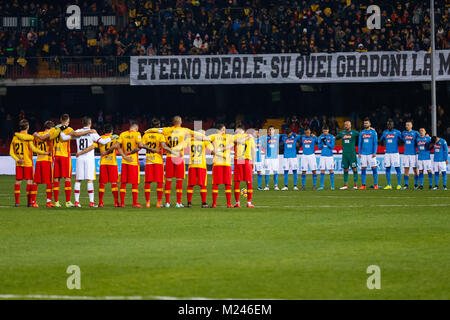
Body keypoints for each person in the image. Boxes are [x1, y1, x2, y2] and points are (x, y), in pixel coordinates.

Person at [23, 114, 94, 207]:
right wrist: (89, 131)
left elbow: (44, 137)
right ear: (68, 121)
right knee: (67, 178)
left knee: (56, 179)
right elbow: (76, 134)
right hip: (65, 156)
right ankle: (68, 202)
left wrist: (36, 133)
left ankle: (56, 202)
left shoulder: (53, 130)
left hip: (56, 156)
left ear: (60, 120)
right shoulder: (69, 129)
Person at [144, 116, 207, 208]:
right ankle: (178, 202)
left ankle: (167, 203)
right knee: (179, 180)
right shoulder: (185, 130)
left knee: (168, 180)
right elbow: (197, 134)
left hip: (169, 157)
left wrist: (147, 131)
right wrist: (206, 137)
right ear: (180, 122)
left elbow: (153, 130)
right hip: (179, 157)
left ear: (173, 122)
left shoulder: (166, 130)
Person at [73, 117, 114, 208]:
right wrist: (112, 137)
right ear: (90, 123)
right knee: (90, 180)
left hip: (79, 157)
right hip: (89, 159)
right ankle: (91, 202)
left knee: (78, 180)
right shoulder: (93, 133)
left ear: (82, 123)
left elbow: (73, 134)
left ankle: (76, 202)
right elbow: (103, 142)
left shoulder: (78, 131)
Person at [10, 119, 48, 207]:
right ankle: (29, 202)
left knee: (18, 182)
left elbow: (11, 152)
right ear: (27, 127)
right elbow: (34, 149)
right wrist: (44, 152)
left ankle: (17, 202)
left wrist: (17, 159)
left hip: (19, 163)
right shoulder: (29, 138)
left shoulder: (15, 137)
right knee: (29, 182)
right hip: (28, 163)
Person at [141, 118, 172, 208]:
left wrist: (150, 149)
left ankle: (147, 202)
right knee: (159, 182)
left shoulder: (146, 135)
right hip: (158, 161)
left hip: (149, 161)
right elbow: (163, 146)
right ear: (158, 126)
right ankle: (159, 202)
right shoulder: (160, 136)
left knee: (148, 182)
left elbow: (141, 145)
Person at [181, 129, 212, 208]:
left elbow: (182, 145)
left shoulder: (190, 140)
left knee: (190, 184)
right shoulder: (204, 141)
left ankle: (189, 203)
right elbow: (212, 149)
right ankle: (204, 203)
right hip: (201, 165)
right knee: (203, 185)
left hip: (192, 165)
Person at [117, 121, 145, 207]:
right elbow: (140, 146)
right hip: (133, 162)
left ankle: (122, 203)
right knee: (135, 183)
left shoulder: (122, 134)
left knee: (123, 183)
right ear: (136, 128)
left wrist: (124, 156)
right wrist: (130, 153)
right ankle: (135, 203)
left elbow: (117, 146)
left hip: (124, 161)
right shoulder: (137, 134)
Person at [209, 124, 234, 208]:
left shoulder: (215, 136)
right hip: (223, 163)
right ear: (218, 130)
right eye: (223, 129)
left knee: (222, 184)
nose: (224, 131)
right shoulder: (217, 136)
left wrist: (214, 150)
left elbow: (205, 139)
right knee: (223, 184)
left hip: (221, 163)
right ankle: (226, 203)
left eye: (224, 129)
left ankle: (218, 203)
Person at [33, 120, 57, 207]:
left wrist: (36, 134)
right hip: (47, 160)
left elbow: (33, 143)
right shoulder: (51, 134)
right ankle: (48, 202)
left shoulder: (37, 134)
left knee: (36, 182)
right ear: (50, 128)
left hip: (39, 160)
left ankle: (33, 202)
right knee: (50, 182)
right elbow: (45, 138)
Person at [233, 125, 256, 208]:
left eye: (236, 130)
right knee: (248, 181)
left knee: (237, 181)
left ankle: (237, 202)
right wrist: (253, 162)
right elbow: (253, 150)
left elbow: (237, 141)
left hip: (240, 159)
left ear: (240, 130)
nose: (236, 132)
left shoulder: (235, 136)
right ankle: (249, 202)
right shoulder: (250, 137)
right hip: (247, 160)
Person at [335, 120, 359, 190]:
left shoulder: (354, 133)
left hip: (352, 154)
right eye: (345, 124)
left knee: (354, 169)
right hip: (345, 154)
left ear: (350, 125)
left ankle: (355, 185)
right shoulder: (342, 133)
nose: (346, 126)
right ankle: (345, 185)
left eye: (347, 124)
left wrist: (372, 130)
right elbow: (335, 138)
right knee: (345, 169)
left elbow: (363, 135)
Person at [380, 120, 403, 190]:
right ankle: (389, 184)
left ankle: (399, 185)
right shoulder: (385, 132)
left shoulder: (397, 132)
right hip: (387, 153)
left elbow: (402, 140)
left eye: (391, 124)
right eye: (388, 124)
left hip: (395, 153)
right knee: (387, 168)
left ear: (393, 125)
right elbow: (381, 139)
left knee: (397, 168)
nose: (389, 125)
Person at [358, 118, 379, 190]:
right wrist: (359, 152)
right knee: (363, 168)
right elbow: (360, 143)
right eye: (364, 123)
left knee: (374, 168)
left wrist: (374, 152)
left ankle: (376, 184)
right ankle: (363, 185)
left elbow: (375, 143)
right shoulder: (362, 132)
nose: (365, 124)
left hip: (371, 154)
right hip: (363, 154)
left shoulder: (373, 132)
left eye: (367, 123)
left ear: (370, 124)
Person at [401, 121, 420, 190]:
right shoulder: (404, 133)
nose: (407, 126)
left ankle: (415, 185)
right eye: (406, 125)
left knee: (415, 169)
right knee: (406, 169)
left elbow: (421, 138)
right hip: (406, 154)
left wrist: (426, 136)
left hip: (413, 154)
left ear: (411, 126)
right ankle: (406, 185)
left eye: (408, 125)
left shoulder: (415, 133)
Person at [261, 126, 280, 190]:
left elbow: (287, 134)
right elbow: (257, 138)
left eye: (272, 130)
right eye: (269, 130)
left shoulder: (277, 136)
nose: (271, 131)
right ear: (268, 131)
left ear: (274, 131)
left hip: (275, 158)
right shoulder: (264, 137)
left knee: (275, 171)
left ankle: (276, 186)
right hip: (267, 157)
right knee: (267, 171)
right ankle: (267, 186)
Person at [317, 126, 335, 190]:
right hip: (323, 156)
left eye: (326, 131)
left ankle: (332, 186)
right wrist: (322, 143)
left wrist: (326, 142)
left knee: (331, 170)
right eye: (324, 131)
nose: (325, 132)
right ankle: (321, 186)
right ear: (322, 131)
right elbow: (319, 147)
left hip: (329, 156)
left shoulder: (332, 137)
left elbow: (332, 146)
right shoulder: (320, 137)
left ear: (328, 130)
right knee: (322, 170)